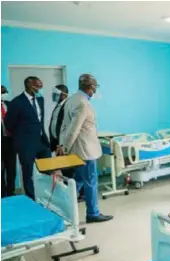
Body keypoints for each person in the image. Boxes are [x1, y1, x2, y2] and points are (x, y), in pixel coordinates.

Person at [60, 74, 113, 223]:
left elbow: (64, 127)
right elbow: (73, 129)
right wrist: (64, 148)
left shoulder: (71, 100)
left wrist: (63, 145)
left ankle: (62, 205)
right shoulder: (83, 103)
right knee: (90, 181)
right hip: (85, 151)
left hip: (78, 150)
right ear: (90, 88)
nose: (95, 91)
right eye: (95, 88)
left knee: (78, 180)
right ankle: (93, 213)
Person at [4, 77, 51, 200]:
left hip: (41, 141)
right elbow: (9, 123)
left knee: (48, 168)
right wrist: (21, 134)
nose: (40, 88)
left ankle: (47, 195)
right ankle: (32, 199)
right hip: (25, 143)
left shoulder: (40, 99)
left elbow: (39, 120)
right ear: (29, 85)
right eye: (38, 86)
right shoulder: (16, 102)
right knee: (28, 172)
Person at [1, 85, 17, 198]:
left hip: (10, 141)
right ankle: (2, 193)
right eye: (2, 92)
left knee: (11, 168)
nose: (4, 94)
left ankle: (11, 192)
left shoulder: (10, 105)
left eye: (5, 91)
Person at [49, 84, 69, 153]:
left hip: (63, 144)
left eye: (56, 94)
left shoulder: (68, 106)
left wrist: (63, 144)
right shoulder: (58, 106)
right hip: (56, 142)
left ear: (64, 95)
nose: (54, 96)